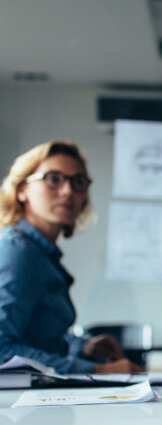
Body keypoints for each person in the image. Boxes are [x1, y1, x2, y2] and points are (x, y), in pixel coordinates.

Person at [0, 141, 142, 374]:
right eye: (53, 179)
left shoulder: (41, 255)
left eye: (78, 183)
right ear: (22, 190)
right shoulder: (17, 252)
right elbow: (3, 351)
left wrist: (84, 347)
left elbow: (39, 340)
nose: (68, 191)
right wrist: (97, 370)